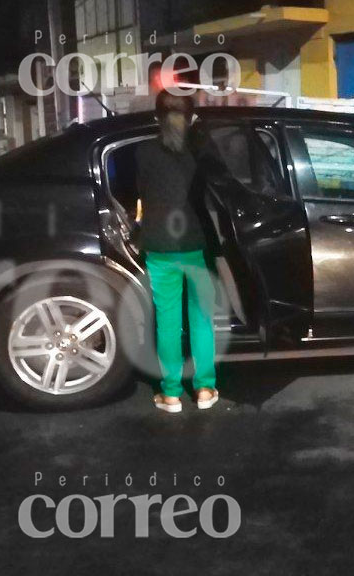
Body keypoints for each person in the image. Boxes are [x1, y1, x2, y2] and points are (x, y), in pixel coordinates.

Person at [137, 92, 218, 413]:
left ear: (157, 117)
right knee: (201, 320)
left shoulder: (143, 152)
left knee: (168, 323)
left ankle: (170, 394)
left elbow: (142, 194)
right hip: (196, 245)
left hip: (159, 246)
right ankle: (205, 389)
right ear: (190, 117)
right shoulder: (202, 152)